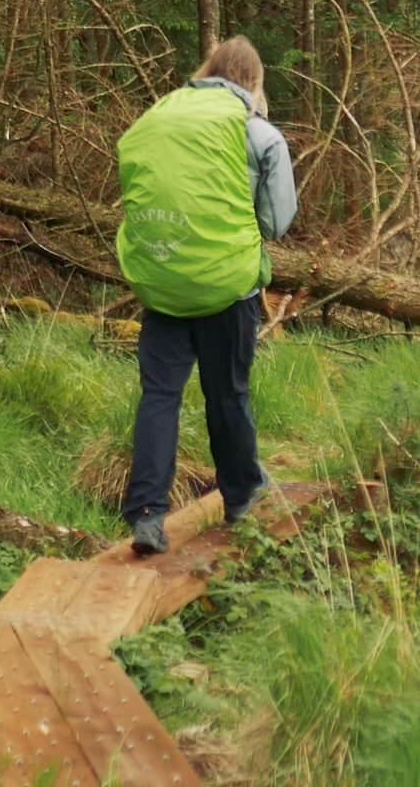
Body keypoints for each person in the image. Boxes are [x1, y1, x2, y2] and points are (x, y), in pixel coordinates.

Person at [115, 36, 297, 555]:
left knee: (159, 396)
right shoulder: (256, 132)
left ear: (207, 70)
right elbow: (276, 221)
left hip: (161, 279)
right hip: (225, 286)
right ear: (254, 82)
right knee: (227, 394)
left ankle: (148, 516)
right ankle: (241, 498)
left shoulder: (157, 117)